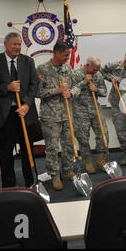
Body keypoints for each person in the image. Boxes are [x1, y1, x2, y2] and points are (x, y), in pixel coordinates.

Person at [0, 32, 39, 188]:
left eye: (19, 44)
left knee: (28, 150)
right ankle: (9, 185)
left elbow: (34, 84)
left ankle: (32, 182)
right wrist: (6, 87)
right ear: (6, 44)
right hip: (4, 114)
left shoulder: (28, 61)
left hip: (25, 113)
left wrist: (27, 104)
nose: (17, 47)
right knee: (6, 152)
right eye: (14, 44)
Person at [36, 42, 83, 191]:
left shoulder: (67, 68)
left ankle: (67, 170)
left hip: (67, 113)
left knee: (69, 144)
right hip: (50, 116)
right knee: (52, 147)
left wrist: (71, 93)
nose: (67, 58)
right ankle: (54, 175)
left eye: (68, 55)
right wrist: (57, 90)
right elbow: (37, 92)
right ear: (56, 53)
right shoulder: (42, 69)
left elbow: (77, 85)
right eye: (65, 55)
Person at [71, 56, 108, 174]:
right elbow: (71, 93)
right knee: (83, 137)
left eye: (97, 70)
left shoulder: (98, 75)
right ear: (87, 65)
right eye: (94, 69)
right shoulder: (76, 74)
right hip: (80, 110)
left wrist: (96, 89)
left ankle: (101, 160)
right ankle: (88, 162)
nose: (96, 72)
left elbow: (104, 91)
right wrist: (84, 83)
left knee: (104, 133)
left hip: (95, 108)